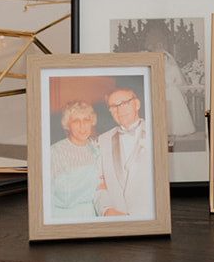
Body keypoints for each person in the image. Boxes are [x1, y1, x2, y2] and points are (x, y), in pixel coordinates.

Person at [96, 84, 153, 219]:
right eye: (114, 106)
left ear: (137, 104)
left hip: (150, 218)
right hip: (117, 217)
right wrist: (106, 209)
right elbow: (98, 183)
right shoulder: (103, 140)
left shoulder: (156, 132)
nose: (119, 110)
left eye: (125, 103)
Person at [48, 100, 100, 220]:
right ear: (67, 125)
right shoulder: (54, 152)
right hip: (62, 218)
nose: (82, 125)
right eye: (75, 121)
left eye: (86, 120)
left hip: (91, 216)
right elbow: (46, 194)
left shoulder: (96, 149)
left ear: (92, 122)